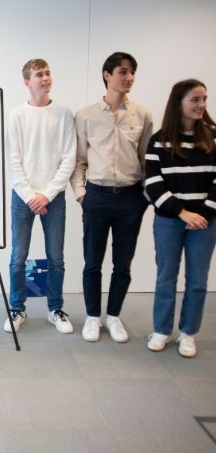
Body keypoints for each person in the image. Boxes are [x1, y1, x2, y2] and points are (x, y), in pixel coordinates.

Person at [70, 52, 152, 343]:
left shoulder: (142, 115)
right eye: (123, 72)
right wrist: (81, 195)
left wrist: (144, 196)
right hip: (97, 196)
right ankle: (93, 316)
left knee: (123, 263)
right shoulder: (86, 116)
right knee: (93, 261)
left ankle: (114, 316)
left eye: (132, 72)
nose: (129, 77)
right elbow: (79, 160)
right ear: (107, 75)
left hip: (131, 198)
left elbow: (146, 160)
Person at [145, 79, 216, 358]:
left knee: (197, 280)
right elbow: (153, 184)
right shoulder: (159, 140)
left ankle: (188, 333)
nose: (201, 105)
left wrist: (202, 214)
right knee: (166, 277)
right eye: (195, 99)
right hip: (169, 220)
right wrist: (182, 212)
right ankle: (161, 330)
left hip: (205, 222)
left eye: (204, 99)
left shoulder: (212, 136)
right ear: (179, 103)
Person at [4, 59, 76, 335]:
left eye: (47, 73)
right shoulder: (17, 115)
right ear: (27, 82)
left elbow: (68, 158)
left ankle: (55, 308)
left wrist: (46, 194)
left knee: (55, 257)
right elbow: (14, 160)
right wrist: (30, 195)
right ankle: (17, 308)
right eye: (39, 75)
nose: (45, 78)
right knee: (18, 257)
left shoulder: (64, 114)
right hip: (22, 197)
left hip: (53, 197)